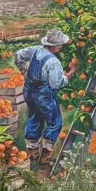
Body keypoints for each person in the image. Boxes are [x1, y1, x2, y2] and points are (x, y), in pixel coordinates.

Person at [14, 29, 75, 162]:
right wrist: (67, 77)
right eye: (60, 45)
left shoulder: (35, 50)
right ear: (55, 46)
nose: (61, 47)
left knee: (35, 116)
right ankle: (46, 154)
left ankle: (32, 149)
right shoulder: (54, 62)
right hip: (43, 95)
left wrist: (23, 70)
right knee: (54, 122)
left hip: (29, 91)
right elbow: (55, 84)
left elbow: (18, 55)